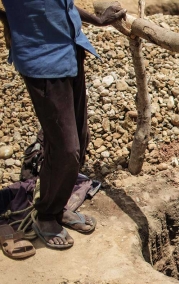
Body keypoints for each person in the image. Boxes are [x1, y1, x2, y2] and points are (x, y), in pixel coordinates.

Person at [0, 2, 126, 249]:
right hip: (42, 61)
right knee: (66, 149)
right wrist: (9, 20)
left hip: (70, 51)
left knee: (79, 137)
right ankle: (46, 214)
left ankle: (57, 206)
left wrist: (97, 20)